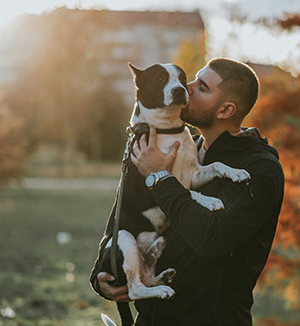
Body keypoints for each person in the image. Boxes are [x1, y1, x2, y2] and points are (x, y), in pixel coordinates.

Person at [90, 57, 284, 326]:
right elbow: (124, 211)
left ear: (225, 110)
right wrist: (102, 274)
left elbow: (212, 239)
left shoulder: (261, 170)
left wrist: (159, 177)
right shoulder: (179, 145)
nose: (186, 88)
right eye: (191, 79)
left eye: (201, 87)